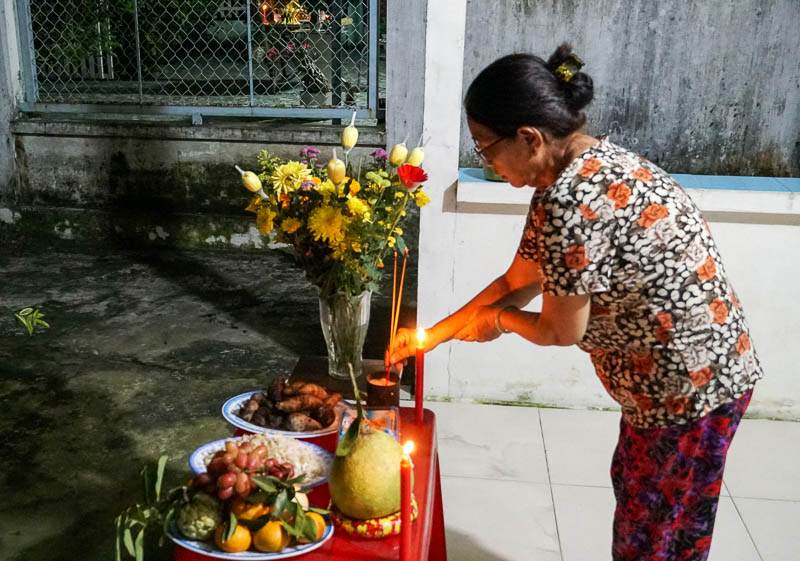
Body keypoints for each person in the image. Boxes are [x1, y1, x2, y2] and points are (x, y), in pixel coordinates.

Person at [388, 44, 763, 561]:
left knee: (655, 535)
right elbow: (515, 281)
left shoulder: (572, 199)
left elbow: (557, 330)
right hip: (680, 379)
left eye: (485, 147)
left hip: (688, 386)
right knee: (645, 504)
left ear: (529, 138)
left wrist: (499, 322)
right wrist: (433, 335)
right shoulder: (576, 170)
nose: (488, 163)